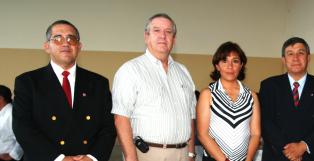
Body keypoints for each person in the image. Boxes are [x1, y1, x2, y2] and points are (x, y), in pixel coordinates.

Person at [12, 20, 116, 161]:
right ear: (47, 47)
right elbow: (22, 127)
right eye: (57, 38)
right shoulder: (28, 82)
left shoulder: (98, 83)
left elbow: (108, 127)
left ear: (79, 47)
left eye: (71, 38)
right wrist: (59, 159)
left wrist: (92, 157)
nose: (65, 43)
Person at [112, 13, 196, 161]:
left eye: (168, 32)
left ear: (174, 39)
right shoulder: (130, 70)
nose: (163, 36)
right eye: (156, 30)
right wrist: (131, 157)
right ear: (146, 36)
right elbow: (121, 117)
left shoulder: (183, 71)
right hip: (147, 154)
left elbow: (190, 116)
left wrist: (190, 153)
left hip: (182, 154)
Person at [259, 37, 314, 161]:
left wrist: (303, 146)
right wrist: (290, 151)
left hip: (311, 155)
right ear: (283, 60)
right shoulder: (269, 86)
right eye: (290, 54)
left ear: (308, 58)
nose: (295, 58)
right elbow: (265, 121)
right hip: (277, 155)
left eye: (301, 53)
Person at [196, 41, 261, 161]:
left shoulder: (252, 96)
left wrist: (249, 159)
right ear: (217, 66)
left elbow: (256, 134)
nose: (230, 66)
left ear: (241, 65)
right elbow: (202, 134)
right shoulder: (208, 94)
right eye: (224, 61)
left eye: (235, 61)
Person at [0, 85, 23, 161]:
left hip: (8, 159)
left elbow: (22, 137)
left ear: (1, 98)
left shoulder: (12, 113)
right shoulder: (2, 113)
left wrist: (12, 156)